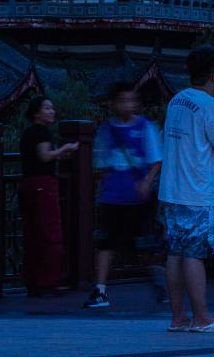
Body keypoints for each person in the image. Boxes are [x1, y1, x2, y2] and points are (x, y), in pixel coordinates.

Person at [159, 45, 214, 333]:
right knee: (193, 254)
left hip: (172, 188)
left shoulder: (176, 100)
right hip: (199, 190)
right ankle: (202, 316)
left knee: (175, 253)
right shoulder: (209, 105)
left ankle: (178, 317)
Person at [84, 81, 161, 309]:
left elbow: (156, 160)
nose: (128, 105)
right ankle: (100, 290)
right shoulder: (107, 130)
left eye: (131, 100)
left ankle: (158, 280)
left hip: (137, 197)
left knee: (144, 245)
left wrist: (146, 182)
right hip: (112, 196)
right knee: (105, 243)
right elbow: (100, 163)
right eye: (123, 100)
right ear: (115, 103)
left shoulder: (145, 127)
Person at [19, 96, 78, 296]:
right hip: (42, 185)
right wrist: (64, 149)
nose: (51, 111)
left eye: (52, 108)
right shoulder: (40, 131)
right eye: (47, 108)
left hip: (28, 184)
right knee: (49, 233)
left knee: (32, 233)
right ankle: (47, 281)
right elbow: (44, 156)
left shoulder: (28, 132)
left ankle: (33, 281)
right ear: (36, 113)